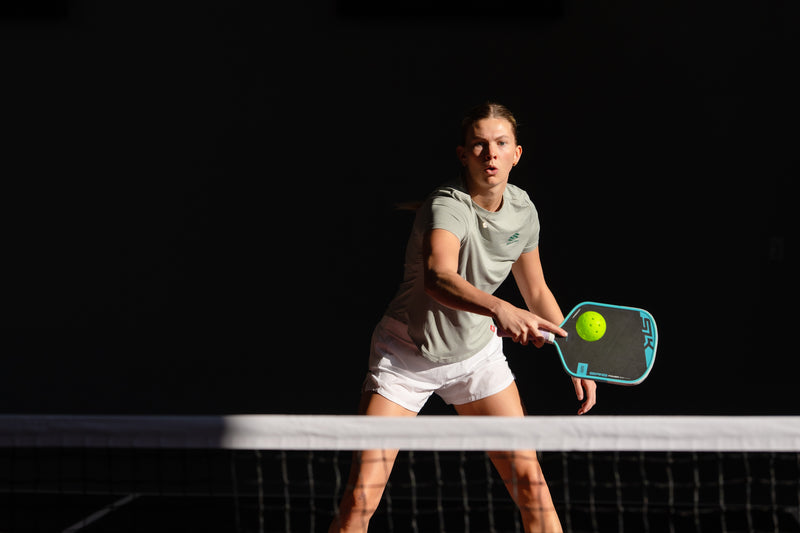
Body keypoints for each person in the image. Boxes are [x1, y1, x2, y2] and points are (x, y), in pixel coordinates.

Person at [329, 102, 597, 533]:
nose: (490, 154)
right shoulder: (446, 206)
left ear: (516, 154)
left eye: (500, 144)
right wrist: (501, 308)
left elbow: (537, 291)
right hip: (406, 358)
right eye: (479, 145)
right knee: (361, 497)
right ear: (463, 154)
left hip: (475, 358)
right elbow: (439, 278)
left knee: (532, 486)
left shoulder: (523, 211)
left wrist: (576, 356)